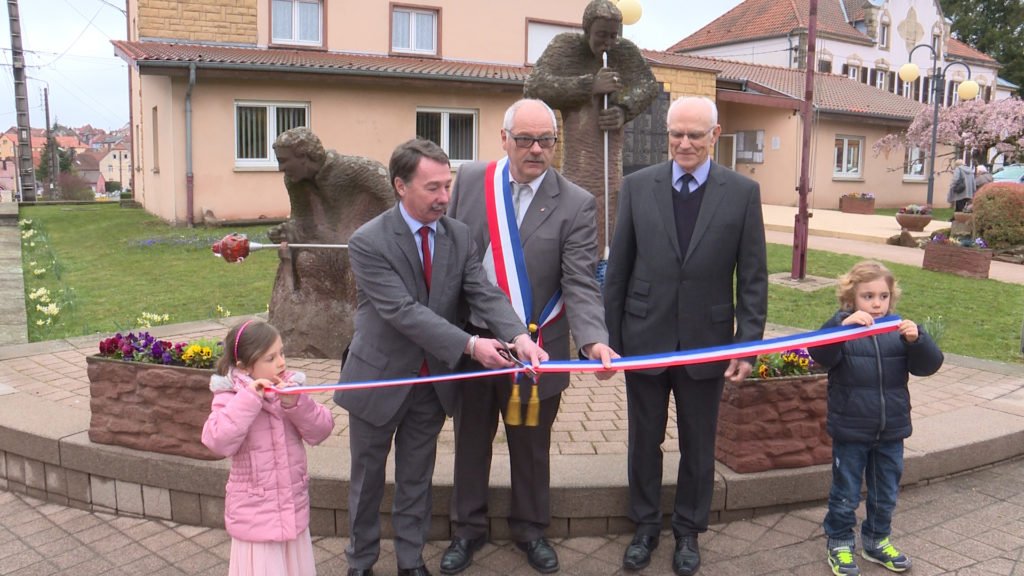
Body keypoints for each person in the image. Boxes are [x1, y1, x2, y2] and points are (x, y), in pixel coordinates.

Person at [334, 138, 548, 576]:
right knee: (368, 482)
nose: (444, 198)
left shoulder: (458, 235)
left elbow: (483, 292)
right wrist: (471, 346)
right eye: (432, 188)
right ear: (400, 185)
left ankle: (410, 563)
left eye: (447, 186)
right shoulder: (368, 242)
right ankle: (360, 562)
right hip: (378, 380)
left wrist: (516, 335)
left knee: (416, 479)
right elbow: (402, 312)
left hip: (432, 384)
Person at [442, 98, 618, 575]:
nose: (536, 149)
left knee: (530, 446)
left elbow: (581, 282)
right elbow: (450, 258)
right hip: (477, 346)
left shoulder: (577, 203)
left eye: (546, 140)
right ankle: (467, 530)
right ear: (504, 139)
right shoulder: (473, 180)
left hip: (536, 348)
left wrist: (592, 341)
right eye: (525, 139)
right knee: (471, 442)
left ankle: (531, 529)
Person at [603, 95, 768, 576]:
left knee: (698, 444)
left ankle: (689, 531)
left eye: (695, 134)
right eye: (676, 133)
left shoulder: (741, 193)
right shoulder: (637, 187)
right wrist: (608, 342)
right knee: (643, 441)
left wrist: (748, 346)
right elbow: (619, 270)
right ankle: (645, 526)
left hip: (708, 340)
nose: (684, 143)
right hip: (644, 338)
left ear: (715, 135)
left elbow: (753, 277)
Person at [808, 261, 944, 576]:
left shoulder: (898, 330)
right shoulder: (843, 328)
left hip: (892, 428)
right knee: (847, 490)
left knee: (886, 490)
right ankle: (840, 542)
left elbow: (929, 366)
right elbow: (820, 355)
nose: (876, 303)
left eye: (883, 296)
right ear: (851, 298)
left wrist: (918, 340)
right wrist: (839, 329)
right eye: (868, 296)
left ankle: (877, 540)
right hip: (852, 428)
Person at [201, 319, 335, 576]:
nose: (282, 362)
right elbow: (216, 441)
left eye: (282, 353)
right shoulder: (229, 397)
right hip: (256, 518)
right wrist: (250, 399)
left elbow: (321, 430)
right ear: (244, 366)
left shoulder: (290, 389)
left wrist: (296, 403)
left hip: (291, 510)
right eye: (271, 358)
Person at [524, 0, 658, 252]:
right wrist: (589, 87)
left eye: (613, 35)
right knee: (578, 204)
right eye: (601, 35)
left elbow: (648, 86)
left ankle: (607, 262)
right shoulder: (565, 47)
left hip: (610, 161)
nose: (608, 42)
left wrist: (623, 109)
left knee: (610, 208)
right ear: (587, 31)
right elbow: (535, 86)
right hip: (578, 158)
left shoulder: (625, 51)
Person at [267, 127, 393, 359]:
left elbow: (396, 209)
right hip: (329, 252)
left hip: (368, 253)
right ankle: (300, 332)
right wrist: (290, 231)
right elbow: (303, 223)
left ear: (305, 155)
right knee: (301, 259)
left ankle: (361, 338)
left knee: (358, 269)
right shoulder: (295, 181)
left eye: (284, 161)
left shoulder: (359, 171)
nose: (280, 168)